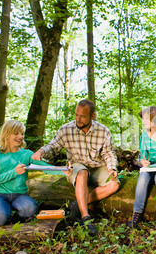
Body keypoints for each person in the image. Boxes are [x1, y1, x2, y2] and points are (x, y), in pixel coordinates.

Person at [32, 99, 120, 235]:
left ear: (93, 116)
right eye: (76, 115)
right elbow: (52, 146)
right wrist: (42, 151)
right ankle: (86, 217)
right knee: (82, 172)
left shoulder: (103, 131)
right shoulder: (66, 130)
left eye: (83, 116)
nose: (78, 119)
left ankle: (77, 204)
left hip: (97, 166)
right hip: (77, 167)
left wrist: (112, 168)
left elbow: (109, 153)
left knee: (114, 184)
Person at [0, 120, 72, 226]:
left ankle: (15, 221)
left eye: (22, 133)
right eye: (16, 133)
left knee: (30, 208)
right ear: (6, 134)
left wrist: (62, 171)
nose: (21, 136)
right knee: (0, 220)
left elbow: (44, 167)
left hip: (19, 195)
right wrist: (14, 172)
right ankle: (4, 215)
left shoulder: (27, 154)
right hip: (0, 195)